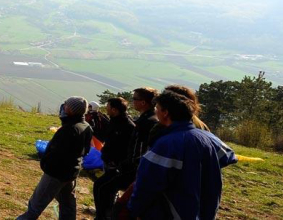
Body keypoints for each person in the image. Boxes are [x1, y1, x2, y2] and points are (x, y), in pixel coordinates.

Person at [128, 91, 237, 219]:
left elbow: (147, 183)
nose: (155, 112)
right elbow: (229, 157)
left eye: (157, 108)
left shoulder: (167, 144)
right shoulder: (209, 138)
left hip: (172, 211)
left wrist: (134, 210)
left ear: (165, 113)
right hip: (204, 210)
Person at [17, 96, 93, 220]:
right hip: (71, 171)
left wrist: (46, 164)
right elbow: (85, 150)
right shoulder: (86, 126)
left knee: (35, 205)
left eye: (67, 105)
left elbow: (57, 152)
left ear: (71, 110)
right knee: (67, 204)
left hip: (56, 173)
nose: (64, 107)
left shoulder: (70, 129)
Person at [110, 87, 159, 219]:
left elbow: (141, 148)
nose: (132, 101)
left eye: (135, 99)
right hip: (138, 168)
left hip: (136, 170)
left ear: (143, 102)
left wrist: (129, 165)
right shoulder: (149, 119)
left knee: (107, 189)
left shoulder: (147, 122)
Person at [92, 98, 136, 219]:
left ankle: (104, 216)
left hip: (117, 165)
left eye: (108, 107)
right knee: (109, 192)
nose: (106, 108)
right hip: (109, 161)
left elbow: (128, 149)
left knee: (102, 188)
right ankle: (106, 214)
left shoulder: (128, 126)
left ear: (115, 110)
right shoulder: (113, 121)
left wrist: (118, 163)